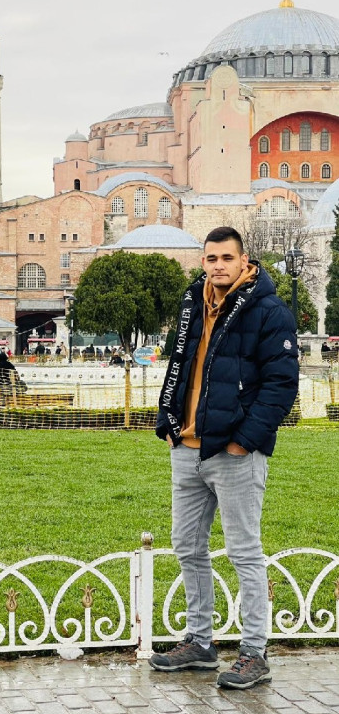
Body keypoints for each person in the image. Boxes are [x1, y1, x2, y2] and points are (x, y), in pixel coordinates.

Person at [150, 227, 298, 690]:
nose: (218, 266)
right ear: (203, 262)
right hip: (187, 448)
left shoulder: (268, 310)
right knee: (187, 546)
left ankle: (254, 653)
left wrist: (244, 441)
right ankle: (200, 642)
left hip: (235, 453)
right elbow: (181, 366)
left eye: (226, 258)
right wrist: (168, 422)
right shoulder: (193, 303)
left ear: (243, 260)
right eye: (211, 258)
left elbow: (281, 385)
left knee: (243, 552)